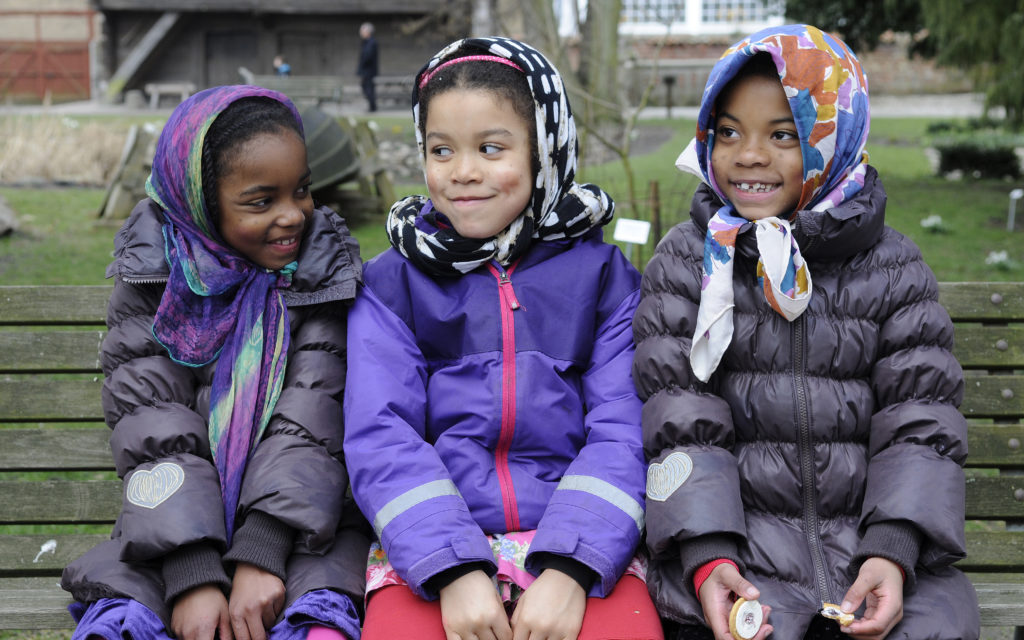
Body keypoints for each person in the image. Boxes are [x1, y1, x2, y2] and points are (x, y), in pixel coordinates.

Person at [632, 24, 980, 640]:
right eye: (729, 131)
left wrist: (893, 551)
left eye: (784, 135)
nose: (749, 155)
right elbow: (681, 422)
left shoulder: (893, 268)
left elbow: (919, 423)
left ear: (833, 136)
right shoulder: (690, 262)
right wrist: (709, 557)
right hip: (739, 561)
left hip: (874, 553)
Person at [342, 37, 662, 640]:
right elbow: (380, 432)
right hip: (431, 548)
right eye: (441, 150)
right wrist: (455, 570)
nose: (463, 172)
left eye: (491, 148)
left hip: (584, 543)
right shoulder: (392, 285)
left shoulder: (604, 279)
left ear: (546, 151)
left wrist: (570, 566)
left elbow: (625, 426)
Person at [60, 86, 369, 640]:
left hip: (300, 534)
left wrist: (262, 550)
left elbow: (312, 418)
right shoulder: (153, 284)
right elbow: (154, 429)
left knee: (314, 622)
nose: (293, 215)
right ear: (199, 199)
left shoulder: (318, 278)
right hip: (169, 537)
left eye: (302, 191)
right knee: (124, 626)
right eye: (261, 201)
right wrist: (192, 573)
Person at [356, 22, 378, 112]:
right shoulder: (366, 42)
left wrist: (362, 67)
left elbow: (367, 56)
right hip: (366, 70)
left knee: (368, 88)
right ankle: (372, 106)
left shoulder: (371, 43)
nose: (361, 33)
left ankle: (373, 107)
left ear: (368, 32)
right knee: (366, 87)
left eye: (362, 31)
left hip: (368, 70)